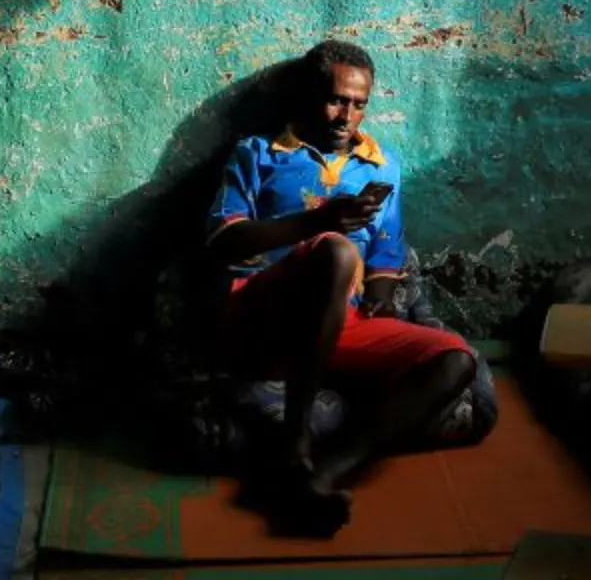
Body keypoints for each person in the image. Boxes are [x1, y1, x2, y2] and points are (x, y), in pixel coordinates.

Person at [204, 40, 477, 531]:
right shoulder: (259, 153)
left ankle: (322, 476)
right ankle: (295, 443)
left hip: (337, 324)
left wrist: (382, 296)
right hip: (260, 317)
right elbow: (224, 241)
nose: (345, 115)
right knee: (335, 250)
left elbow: (388, 254)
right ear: (307, 96)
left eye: (358, 104)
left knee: (455, 359)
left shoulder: (382, 163)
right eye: (335, 100)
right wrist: (318, 224)